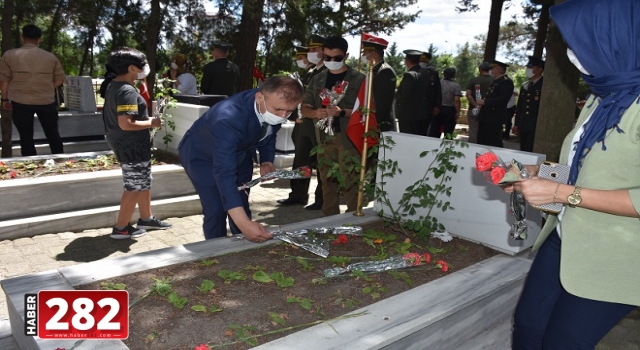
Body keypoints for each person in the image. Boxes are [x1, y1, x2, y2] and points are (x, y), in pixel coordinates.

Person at [505, 0, 640, 348]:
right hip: (566, 235)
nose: (571, 53)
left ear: (614, 41)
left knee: (563, 342)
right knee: (527, 326)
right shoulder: (603, 95)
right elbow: (584, 168)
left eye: (580, 42)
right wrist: (539, 173)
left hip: (617, 254)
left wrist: (560, 194)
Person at [179, 76, 303, 241]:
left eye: (289, 111)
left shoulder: (272, 103)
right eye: (279, 110)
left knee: (241, 205)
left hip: (242, 154)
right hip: (203, 158)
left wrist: (266, 160)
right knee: (216, 209)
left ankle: (242, 245)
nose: (283, 116)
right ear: (259, 98)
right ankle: (215, 251)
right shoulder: (228, 117)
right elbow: (224, 172)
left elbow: (268, 131)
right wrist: (244, 223)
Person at [103, 47, 172, 239]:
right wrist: (152, 122)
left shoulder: (115, 85)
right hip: (130, 145)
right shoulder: (126, 91)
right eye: (143, 64)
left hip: (131, 144)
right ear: (132, 68)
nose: (146, 68)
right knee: (134, 186)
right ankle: (121, 228)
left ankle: (146, 218)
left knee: (142, 182)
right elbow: (126, 123)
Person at [301, 35, 365, 216]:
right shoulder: (317, 79)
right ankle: (329, 222)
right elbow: (305, 106)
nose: (331, 62)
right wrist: (315, 113)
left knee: (350, 183)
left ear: (346, 55)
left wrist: (341, 112)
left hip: (348, 139)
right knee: (327, 183)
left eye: (336, 58)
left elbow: (366, 112)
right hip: (323, 138)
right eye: (327, 58)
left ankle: (354, 219)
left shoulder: (359, 79)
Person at [277, 36, 327, 210]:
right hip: (303, 123)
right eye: (310, 50)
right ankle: (298, 195)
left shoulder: (327, 72)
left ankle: (322, 198)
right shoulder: (311, 71)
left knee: (321, 162)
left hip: (317, 123)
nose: (311, 53)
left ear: (323, 50)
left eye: (314, 49)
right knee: (301, 161)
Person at [0, 24, 65, 157]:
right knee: (53, 133)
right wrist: (46, 87)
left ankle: (30, 162)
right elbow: (59, 80)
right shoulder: (50, 57)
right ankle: (60, 161)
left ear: (22, 37)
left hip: (20, 101)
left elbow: (4, 80)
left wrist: (5, 99)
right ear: (39, 39)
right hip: (46, 100)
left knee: (26, 136)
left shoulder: (9, 55)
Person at [360, 33, 397, 132]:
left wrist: (374, 122)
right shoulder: (375, 69)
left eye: (365, 52)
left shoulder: (385, 71)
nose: (363, 55)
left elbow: (381, 102)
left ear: (374, 54)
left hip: (381, 124)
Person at [476, 60, 514, 147]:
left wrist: (485, 102)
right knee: (482, 140)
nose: (491, 70)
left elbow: (502, 99)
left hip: (494, 117)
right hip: (486, 117)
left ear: (498, 69)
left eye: (493, 68)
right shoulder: (496, 81)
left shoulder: (505, 81)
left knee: (493, 141)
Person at [513, 56, 545, 152]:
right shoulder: (525, 85)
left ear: (540, 69)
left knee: (530, 149)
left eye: (531, 68)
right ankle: (522, 167)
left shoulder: (544, 84)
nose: (528, 70)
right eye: (528, 67)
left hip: (536, 124)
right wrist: (516, 124)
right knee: (523, 149)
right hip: (524, 123)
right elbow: (520, 107)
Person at [395, 49, 430, 136]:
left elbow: (404, 95)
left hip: (408, 114)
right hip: (421, 113)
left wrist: (394, 93)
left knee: (407, 139)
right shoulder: (425, 73)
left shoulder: (410, 75)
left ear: (407, 61)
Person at [428, 67, 461, 139]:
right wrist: (458, 112)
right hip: (450, 110)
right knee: (448, 132)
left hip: (437, 108)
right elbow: (456, 100)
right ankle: (446, 147)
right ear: (454, 75)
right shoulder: (456, 86)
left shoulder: (439, 83)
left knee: (434, 131)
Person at [464, 62, 493, 143]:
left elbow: (468, 95)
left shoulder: (474, 80)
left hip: (474, 110)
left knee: (473, 131)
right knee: (486, 132)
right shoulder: (494, 81)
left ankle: (471, 149)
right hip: (488, 111)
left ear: (480, 69)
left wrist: (475, 105)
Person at [420, 52, 442, 129]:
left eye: (424, 61)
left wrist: (437, 106)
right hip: (415, 107)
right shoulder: (415, 71)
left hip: (429, 107)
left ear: (428, 61)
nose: (423, 63)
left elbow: (438, 91)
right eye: (421, 61)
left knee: (425, 128)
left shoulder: (433, 74)